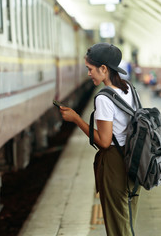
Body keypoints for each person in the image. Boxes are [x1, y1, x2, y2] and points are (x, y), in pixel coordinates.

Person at [58, 43, 140, 236]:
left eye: (90, 69)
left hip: (115, 163)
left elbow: (104, 141)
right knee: (126, 221)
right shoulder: (129, 89)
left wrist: (76, 119)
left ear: (104, 69)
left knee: (118, 227)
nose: (88, 74)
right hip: (134, 159)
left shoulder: (104, 98)